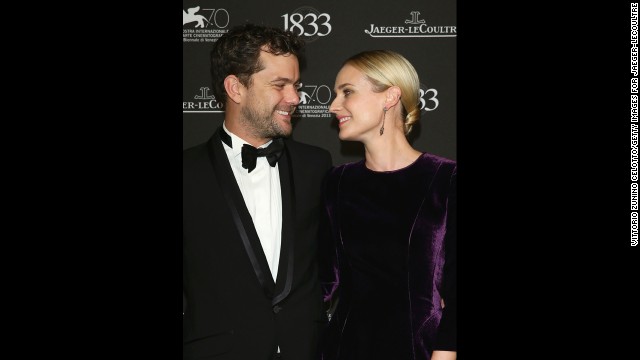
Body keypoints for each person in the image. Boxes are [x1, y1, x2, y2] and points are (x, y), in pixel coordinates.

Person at [183, 23, 332, 360]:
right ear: (236, 88)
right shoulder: (188, 172)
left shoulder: (316, 165)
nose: (294, 98)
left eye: (296, 85)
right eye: (280, 85)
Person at [319, 50, 457, 360]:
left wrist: (444, 354)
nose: (333, 105)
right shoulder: (337, 182)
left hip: (420, 350)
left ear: (390, 97)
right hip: (344, 349)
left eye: (347, 92)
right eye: (335, 94)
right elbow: (323, 283)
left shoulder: (446, 178)